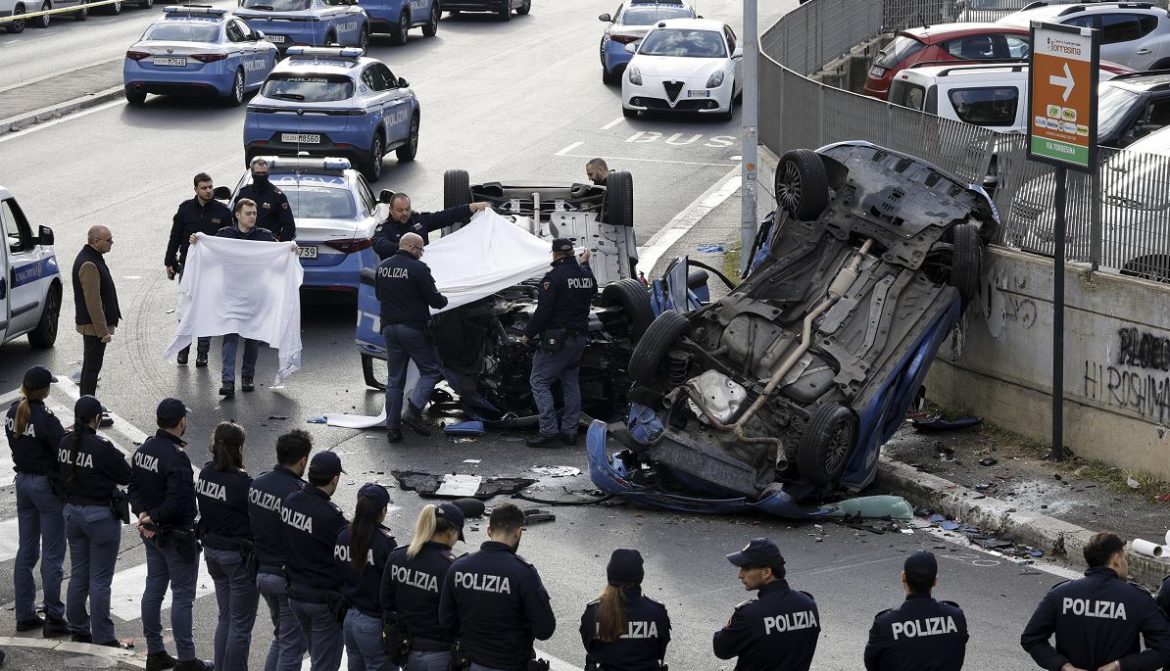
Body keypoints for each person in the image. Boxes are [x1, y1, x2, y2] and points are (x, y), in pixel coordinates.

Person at [128, 398, 212, 671]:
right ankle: (187, 659)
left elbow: (133, 488)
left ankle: (155, 652)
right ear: (181, 422)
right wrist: (153, 516)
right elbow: (179, 502)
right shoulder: (176, 457)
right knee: (182, 597)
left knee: (154, 589)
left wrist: (143, 514)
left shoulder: (143, 449)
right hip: (175, 536)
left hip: (151, 533)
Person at [1021, 532, 1170, 671]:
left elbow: (1031, 638)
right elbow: (1165, 649)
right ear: (1116, 559)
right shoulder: (1138, 599)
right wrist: (1121, 665)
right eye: (1125, 558)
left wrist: (1064, 667)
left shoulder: (1059, 594)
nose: (1126, 564)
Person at [438, 502, 556, 671]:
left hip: (470, 662)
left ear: (488, 531)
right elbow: (545, 629)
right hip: (511, 663)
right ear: (518, 532)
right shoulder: (523, 573)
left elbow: (446, 621)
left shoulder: (459, 567)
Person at [58, 395, 131, 647]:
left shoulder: (65, 441)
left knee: (79, 574)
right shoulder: (101, 447)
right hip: (99, 516)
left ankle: (78, 627)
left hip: (72, 513)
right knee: (100, 580)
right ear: (97, 419)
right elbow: (126, 475)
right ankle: (103, 636)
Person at [5, 366, 68, 637]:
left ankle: (25, 614)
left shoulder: (13, 412)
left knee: (27, 551)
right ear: (44, 390)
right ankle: (54, 615)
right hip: (46, 488)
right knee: (53, 554)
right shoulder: (46, 418)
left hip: (23, 484)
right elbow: (62, 452)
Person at [198, 198, 280, 398]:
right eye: (248, 213)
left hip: (254, 296)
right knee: (230, 335)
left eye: (254, 213)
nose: (252, 217)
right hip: (230, 295)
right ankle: (228, 381)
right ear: (237, 215)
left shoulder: (264, 236)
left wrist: (290, 250)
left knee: (252, 338)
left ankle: (247, 377)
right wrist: (197, 242)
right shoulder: (225, 235)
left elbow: (279, 254)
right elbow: (210, 253)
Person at [521, 238, 598, 448]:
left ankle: (548, 431)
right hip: (580, 337)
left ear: (555, 254)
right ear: (572, 253)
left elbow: (543, 311)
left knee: (539, 381)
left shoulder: (553, 277)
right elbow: (593, 291)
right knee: (570, 383)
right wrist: (585, 263)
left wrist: (528, 334)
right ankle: (570, 431)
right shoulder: (585, 274)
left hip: (559, 340)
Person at [195, 422, 257, 671]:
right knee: (240, 625)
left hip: (212, 551)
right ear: (239, 448)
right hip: (236, 557)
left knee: (226, 617)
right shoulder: (243, 482)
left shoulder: (206, 472)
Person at [247, 430, 311, 671]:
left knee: (282, 637)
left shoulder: (258, 483)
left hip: (263, 572)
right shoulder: (298, 494)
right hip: (286, 578)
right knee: (292, 645)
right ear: (303, 460)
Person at [375, 231, 448, 443]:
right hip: (412, 329)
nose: (421, 254)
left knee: (394, 380)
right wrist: (445, 298)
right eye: (421, 250)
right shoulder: (418, 268)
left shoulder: (382, 267)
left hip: (389, 328)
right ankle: (413, 411)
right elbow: (436, 301)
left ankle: (392, 429)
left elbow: (379, 295)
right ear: (413, 248)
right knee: (430, 370)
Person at [381, 502, 468, 671]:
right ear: (451, 532)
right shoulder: (451, 567)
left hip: (406, 650)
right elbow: (456, 617)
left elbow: (386, 601)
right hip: (439, 654)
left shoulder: (398, 556)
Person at [283, 451, 349, 671]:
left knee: (316, 657)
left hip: (295, 593)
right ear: (334, 479)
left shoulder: (291, 500)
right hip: (322, 599)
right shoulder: (331, 516)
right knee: (324, 664)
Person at [713, 538, 820, 671]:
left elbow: (721, 649)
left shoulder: (750, 615)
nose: (740, 575)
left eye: (746, 568)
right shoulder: (808, 604)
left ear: (766, 572)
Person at [166, 172, 232, 367]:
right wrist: (169, 261)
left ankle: (203, 352)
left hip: (212, 269)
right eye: (204, 188)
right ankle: (183, 349)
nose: (208, 190)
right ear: (195, 189)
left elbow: (230, 239)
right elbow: (175, 236)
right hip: (189, 267)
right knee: (186, 309)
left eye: (210, 187)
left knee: (207, 310)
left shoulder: (223, 211)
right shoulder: (185, 209)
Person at [863, 551, 967, 671]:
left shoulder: (885, 624)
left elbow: (871, 664)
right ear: (935, 581)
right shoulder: (955, 617)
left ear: (903, 577)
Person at [334, 483, 396, 671]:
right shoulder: (384, 543)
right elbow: (392, 585)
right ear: (382, 511)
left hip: (349, 617)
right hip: (372, 622)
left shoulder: (343, 535)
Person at [580, 549, 671, 671]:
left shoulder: (594, 612)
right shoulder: (657, 612)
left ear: (610, 575)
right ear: (640, 577)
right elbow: (661, 650)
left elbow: (590, 647)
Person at [72, 225, 120, 413]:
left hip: (94, 326)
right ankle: (87, 409)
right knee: (92, 368)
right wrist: (103, 331)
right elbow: (93, 302)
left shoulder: (93, 257)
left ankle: (87, 404)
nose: (111, 243)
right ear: (95, 241)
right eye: (108, 240)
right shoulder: (89, 264)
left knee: (90, 366)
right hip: (94, 327)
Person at [371, 193, 489, 260]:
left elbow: (444, 216)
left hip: (422, 271)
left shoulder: (419, 220)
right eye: (400, 210)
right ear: (391, 210)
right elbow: (378, 244)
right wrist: (404, 248)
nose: (405, 213)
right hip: (399, 276)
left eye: (407, 209)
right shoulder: (384, 228)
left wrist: (471, 207)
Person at [236, 157, 296, 242]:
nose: (261, 176)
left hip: (267, 243)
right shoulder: (244, 192)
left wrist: (279, 244)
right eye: (258, 173)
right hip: (244, 241)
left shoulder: (277, 196)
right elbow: (234, 218)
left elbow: (289, 226)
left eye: (263, 173)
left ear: (268, 173)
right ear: (252, 173)